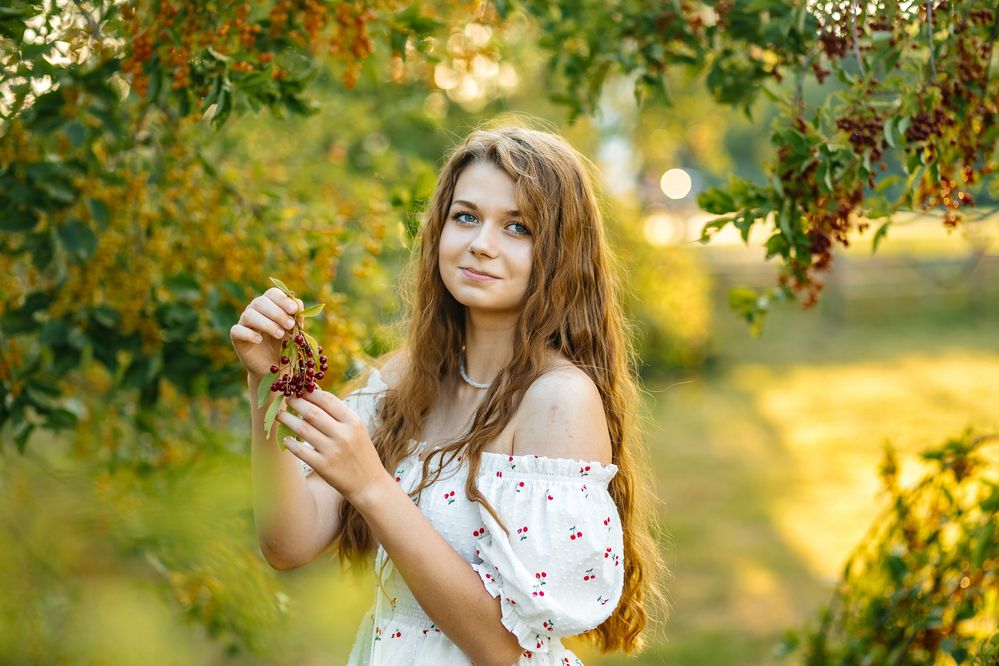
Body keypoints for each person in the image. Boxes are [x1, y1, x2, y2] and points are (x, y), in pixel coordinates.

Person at [230, 124, 668, 665]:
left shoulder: (558, 399)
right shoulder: (403, 381)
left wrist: (371, 484)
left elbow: (504, 651)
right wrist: (267, 384)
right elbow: (287, 544)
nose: (481, 244)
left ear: (561, 252)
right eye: (466, 217)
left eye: (517, 227)